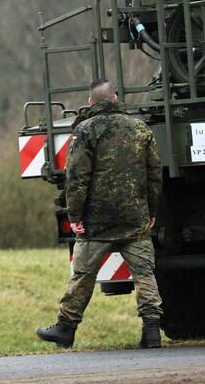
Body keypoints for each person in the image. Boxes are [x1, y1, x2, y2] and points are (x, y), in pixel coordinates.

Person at [37, 80, 164, 350]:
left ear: (91, 102)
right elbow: (154, 173)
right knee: (144, 273)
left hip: (97, 222)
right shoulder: (140, 128)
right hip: (134, 217)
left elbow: (77, 178)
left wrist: (75, 216)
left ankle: (66, 327)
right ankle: (152, 330)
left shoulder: (85, 130)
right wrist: (152, 210)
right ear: (116, 98)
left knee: (82, 274)